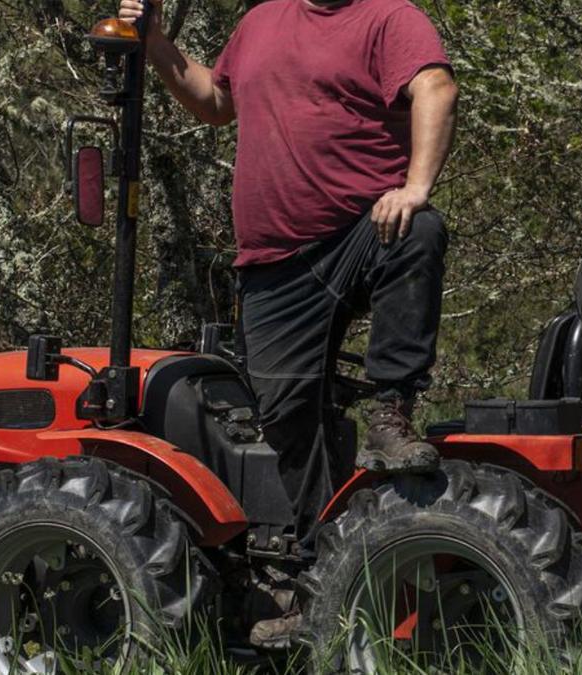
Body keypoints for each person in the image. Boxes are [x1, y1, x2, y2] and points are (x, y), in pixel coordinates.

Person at [119, 0, 458, 645]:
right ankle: (325, 584)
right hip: (272, 264)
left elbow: (435, 86)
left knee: (420, 232)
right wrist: (156, 43)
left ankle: (391, 411)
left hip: (357, 234)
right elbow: (215, 103)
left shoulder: (388, 18)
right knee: (287, 421)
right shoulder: (260, 21)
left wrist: (414, 186)